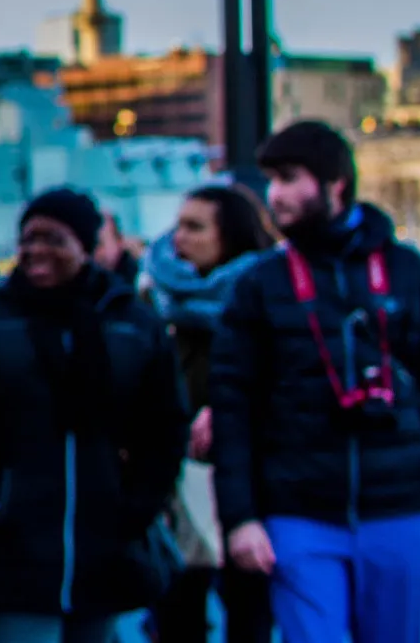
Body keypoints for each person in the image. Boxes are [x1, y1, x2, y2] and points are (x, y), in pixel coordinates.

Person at [212, 121, 420, 643]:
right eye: (271, 179)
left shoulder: (409, 274)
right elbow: (233, 408)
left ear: (335, 183)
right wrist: (241, 519)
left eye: (288, 178)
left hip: (401, 510)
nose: (274, 194)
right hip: (299, 514)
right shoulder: (260, 284)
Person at [0, 188, 187, 643]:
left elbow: (163, 423)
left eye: (54, 239)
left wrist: (141, 503)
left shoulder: (131, 323)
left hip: (104, 540)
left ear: (84, 247)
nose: (36, 251)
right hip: (10, 543)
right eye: (28, 238)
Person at [144, 185, 278, 643]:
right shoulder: (156, 298)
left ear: (231, 235)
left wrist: (226, 411)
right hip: (173, 483)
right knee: (176, 614)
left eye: (195, 227)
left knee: (249, 613)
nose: (179, 238)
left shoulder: (267, 297)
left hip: (248, 485)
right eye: (179, 223)